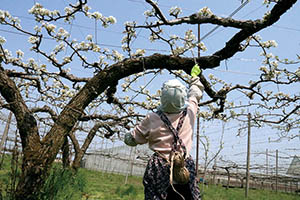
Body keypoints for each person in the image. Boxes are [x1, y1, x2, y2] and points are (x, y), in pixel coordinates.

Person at [124, 65, 204, 200]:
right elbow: (195, 93)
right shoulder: (190, 111)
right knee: (187, 195)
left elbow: (133, 139)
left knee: (157, 196)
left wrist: (128, 137)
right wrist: (195, 77)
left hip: (159, 167)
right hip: (183, 165)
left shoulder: (152, 118)